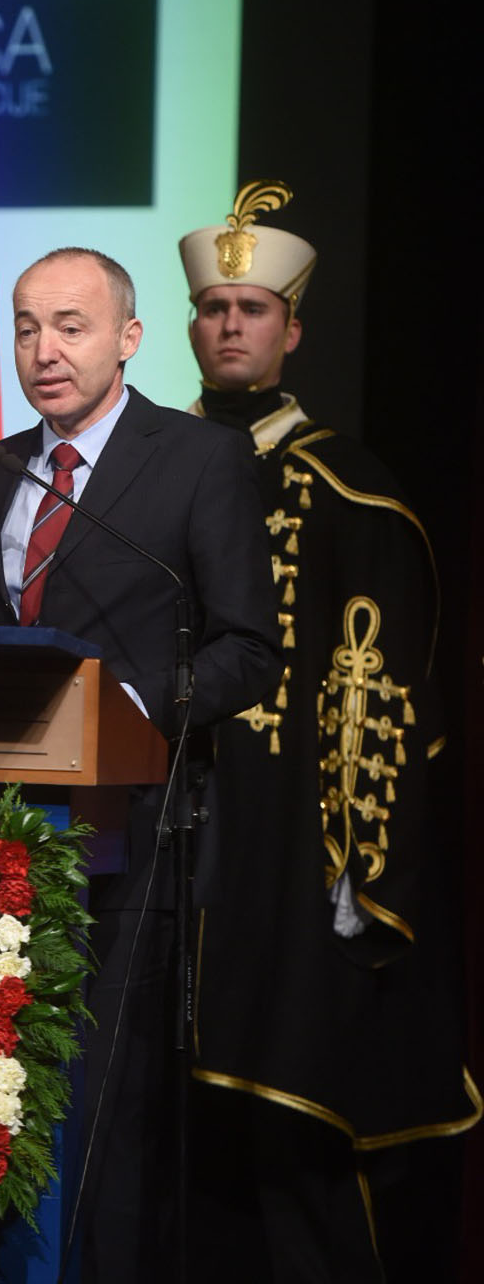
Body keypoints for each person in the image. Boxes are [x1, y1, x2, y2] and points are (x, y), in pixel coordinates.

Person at [0, 245, 281, 1284]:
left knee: (102, 1122)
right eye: (27, 327)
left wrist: (136, 706)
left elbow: (250, 647)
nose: (45, 350)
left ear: (129, 338)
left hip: (130, 842)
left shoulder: (200, 459)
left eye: (71, 326)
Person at [179, 180, 481, 1282]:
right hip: (168, 827)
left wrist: (364, 866)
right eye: (214, 307)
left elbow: (383, 689)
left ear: (291, 332)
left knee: (292, 1135)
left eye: (252, 309)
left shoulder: (351, 489)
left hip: (293, 849)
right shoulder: (149, 468)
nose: (231, 325)